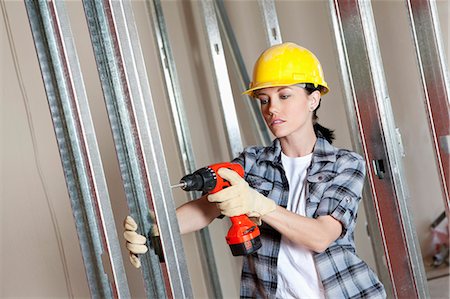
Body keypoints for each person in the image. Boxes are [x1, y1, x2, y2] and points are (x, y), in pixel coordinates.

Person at [124, 42, 386, 298]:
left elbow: (320, 236)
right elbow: (206, 208)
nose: (272, 109)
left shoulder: (345, 164)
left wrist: (261, 206)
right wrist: (153, 229)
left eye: (284, 96)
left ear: (313, 99)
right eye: (264, 99)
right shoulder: (252, 162)